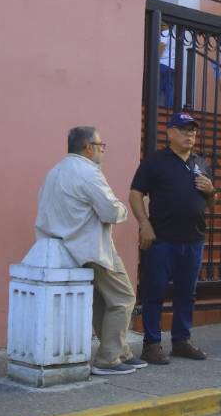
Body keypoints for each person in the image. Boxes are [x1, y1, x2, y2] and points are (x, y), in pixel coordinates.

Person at [36, 127, 145, 376]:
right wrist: (123, 210)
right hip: (92, 248)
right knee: (123, 298)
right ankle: (108, 358)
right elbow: (110, 210)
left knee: (101, 301)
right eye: (100, 145)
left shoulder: (55, 172)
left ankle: (120, 351)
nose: (103, 150)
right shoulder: (88, 172)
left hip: (65, 249)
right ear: (88, 147)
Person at [129, 112, 214, 364]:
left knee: (186, 293)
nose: (190, 135)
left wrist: (212, 191)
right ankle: (151, 344)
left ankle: (181, 341)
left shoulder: (201, 163)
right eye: (184, 130)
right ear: (170, 133)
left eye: (193, 131)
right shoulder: (156, 161)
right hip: (162, 239)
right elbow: (135, 194)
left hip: (194, 239)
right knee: (154, 292)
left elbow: (211, 201)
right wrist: (144, 224)